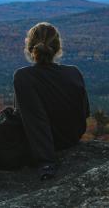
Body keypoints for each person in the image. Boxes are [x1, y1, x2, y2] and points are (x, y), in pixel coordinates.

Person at [14, 22, 90, 180]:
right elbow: (85, 113)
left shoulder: (24, 77)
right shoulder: (74, 72)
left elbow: (34, 120)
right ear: (57, 47)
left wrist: (46, 162)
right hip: (71, 139)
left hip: (44, 147)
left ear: (30, 48)